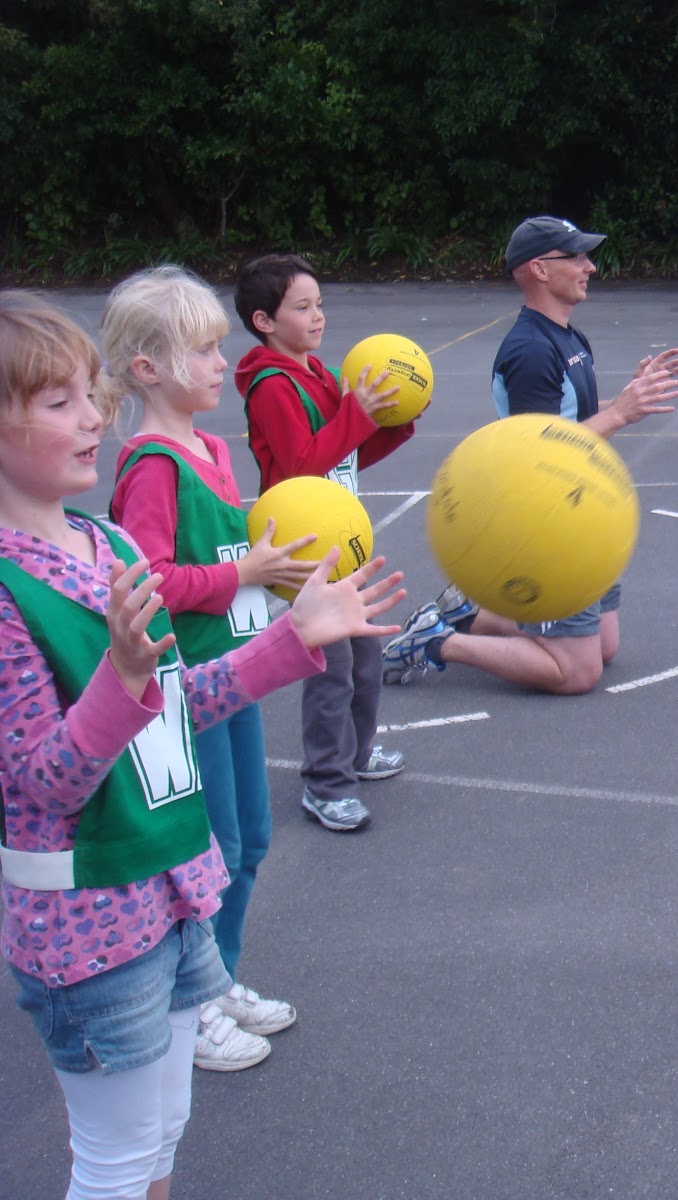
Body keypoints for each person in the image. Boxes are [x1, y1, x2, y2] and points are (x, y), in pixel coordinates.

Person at [0, 289, 405, 1200]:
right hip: (91, 931)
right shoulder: (6, 589)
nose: (92, 415)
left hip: (174, 898)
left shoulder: (104, 545)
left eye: (86, 394)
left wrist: (298, 636)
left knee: (160, 1144)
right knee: (114, 1161)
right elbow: (47, 781)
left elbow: (186, 703)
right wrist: (125, 679)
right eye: (56, 401)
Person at [103, 265, 319, 1071]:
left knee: (252, 840)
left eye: (219, 347)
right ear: (147, 368)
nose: (220, 364)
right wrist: (246, 576)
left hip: (234, 677)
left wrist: (272, 575)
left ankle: (218, 978)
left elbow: (238, 559)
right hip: (186, 693)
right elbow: (149, 582)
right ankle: (189, 1006)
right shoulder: (153, 464)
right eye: (202, 352)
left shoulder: (211, 448)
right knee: (213, 849)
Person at [381, 215, 678, 695]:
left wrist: (628, 398)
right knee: (579, 673)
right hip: (547, 524)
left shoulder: (567, 337)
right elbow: (537, 461)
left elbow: (574, 416)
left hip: (582, 510)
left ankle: (473, 615)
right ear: (540, 269)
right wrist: (622, 414)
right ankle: (436, 642)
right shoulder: (529, 350)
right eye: (577, 257)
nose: (589, 266)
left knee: (604, 647)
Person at [234, 253, 414, 832]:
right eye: (303, 307)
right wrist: (355, 414)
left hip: (342, 535)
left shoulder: (317, 374)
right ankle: (325, 782)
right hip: (307, 546)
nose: (318, 317)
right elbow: (301, 466)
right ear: (265, 320)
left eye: (320, 305)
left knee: (365, 656)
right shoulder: (270, 385)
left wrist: (393, 420)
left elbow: (347, 454)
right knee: (330, 666)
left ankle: (357, 754)